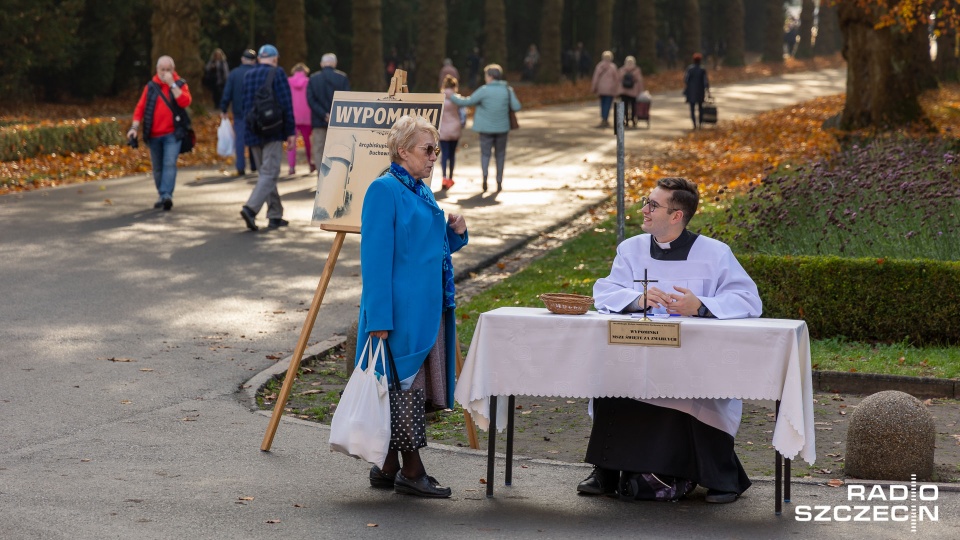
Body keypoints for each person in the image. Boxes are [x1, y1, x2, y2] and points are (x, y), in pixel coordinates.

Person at [580, 177, 762, 504]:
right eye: (647, 202)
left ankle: (719, 477)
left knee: (696, 391)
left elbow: (748, 299)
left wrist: (702, 305)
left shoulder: (715, 253)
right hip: (638, 352)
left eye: (653, 205)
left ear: (676, 215)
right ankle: (606, 470)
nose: (644, 210)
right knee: (612, 377)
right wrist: (638, 299)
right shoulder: (631, 248)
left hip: (694, 360)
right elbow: (604, 292)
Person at [359, 115, 469, 498]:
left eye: (436, 149)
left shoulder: (419, 189)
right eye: (427, 149)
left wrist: (455, 234)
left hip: (424, 309)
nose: (434, 156)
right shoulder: (383, 190)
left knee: (406, 388)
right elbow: (374, 261)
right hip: (399, 314)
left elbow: (423, 251)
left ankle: (388, 467)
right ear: (403, 150)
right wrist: (380, 319)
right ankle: (411, 470)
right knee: (403, 387)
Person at [238, 44, 296, 231]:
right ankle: (250, 208)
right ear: (275, 59)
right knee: (270, 173)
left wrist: (247, 132)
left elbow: (245, 106)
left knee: (266, 174)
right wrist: (290, 132)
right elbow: (286, 104)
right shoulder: (277, 73)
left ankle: (275, 214)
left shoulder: (248, 75)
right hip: (273, 129)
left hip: (254, 130)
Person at [126, 55, 192, 211]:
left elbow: (185, 102)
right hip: (154, 134)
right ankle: (162, 194)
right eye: (162, 70)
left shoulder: (180, 84)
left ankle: (166, 195)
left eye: (168, 70)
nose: (165, 73)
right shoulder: (150, 86)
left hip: (173, 134)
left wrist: (172, 84)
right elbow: (140, 108)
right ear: (157, 70)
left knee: (169, 163)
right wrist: (134, 127)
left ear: (173, 70)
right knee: (157, 167)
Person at [449, 64, 521, 193]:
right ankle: (499, 181)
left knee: (485, 155)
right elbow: (516, 106)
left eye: (486, 75)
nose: (485, 78)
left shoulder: (484, 90)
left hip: (485, 130)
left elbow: (467, 102)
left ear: (491, 76)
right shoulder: (507, 89)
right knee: (500, 155)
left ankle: (485, 179)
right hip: (502, 129)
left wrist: (451, 95)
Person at [306, 53, 350, 174]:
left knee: (319, 149)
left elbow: (311, 100)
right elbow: (346, 99)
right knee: (337, 150)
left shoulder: (313, 78)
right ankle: (335, 178)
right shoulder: (342, 77)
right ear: (335, 63)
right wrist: (333, 115)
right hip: (338, 122)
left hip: (318, 120)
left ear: (321, 64)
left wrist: (324, 114)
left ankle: (321, 179)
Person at [220, 49, 258, 176]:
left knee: (240, 139)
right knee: (255, 136)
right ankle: (254, 164)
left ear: (242, 59)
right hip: (255, 111)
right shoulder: (257, 72)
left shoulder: (234, 73)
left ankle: (240, 166)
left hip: (239, 111)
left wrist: (224, 108)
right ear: (254, 61)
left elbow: (227, 92)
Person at [286, 62, 314, 175]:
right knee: (308, 142)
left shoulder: (288, 81)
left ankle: (291, 167)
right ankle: (311, 164)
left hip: (292, 115)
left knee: (292, 142)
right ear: (305, 71)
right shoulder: (308, 82)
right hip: (307, 116)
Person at [438, 75, 464, 190]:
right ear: (454, 86)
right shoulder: (457, 99)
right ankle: (450, 177)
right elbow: (463, 115)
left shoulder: (440, 98)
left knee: (444, 154)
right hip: (454, 128)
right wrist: (461, 124)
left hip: (443, 130)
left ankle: (443, 177)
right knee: (452, 154)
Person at [590, 51, 620, 128]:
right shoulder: (613, 67)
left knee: (602, 103)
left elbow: (595, 78)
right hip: (610, 89)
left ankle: (603, 118)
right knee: (608, 104)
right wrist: (617, 89)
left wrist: (594, 87)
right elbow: (616, 79)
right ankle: (605, 119)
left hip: (601, 88)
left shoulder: (599, 66)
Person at [683, 53, 710, 129]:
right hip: (700, 91)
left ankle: (694, 124)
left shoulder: (690, 69)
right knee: (700, 108)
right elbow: (705, 81)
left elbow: (686, 79)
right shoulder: (702, 70)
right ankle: (700, 123)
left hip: (691, 92)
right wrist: (708, 91)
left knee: (692, 109)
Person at [618, 55, 645, 128]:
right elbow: (639, 81)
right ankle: (633, 120)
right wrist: (641, 91)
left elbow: (619, 80)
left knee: (625, 107)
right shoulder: (637, 70)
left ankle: (625, 120)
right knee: (633, 107)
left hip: (624, 92)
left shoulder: (622, 69)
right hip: (634, 91)